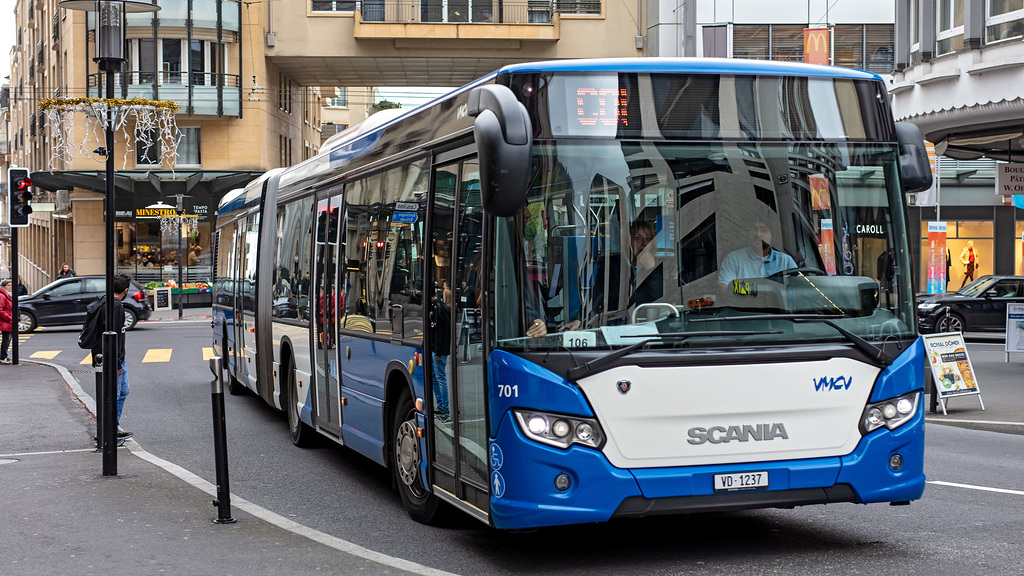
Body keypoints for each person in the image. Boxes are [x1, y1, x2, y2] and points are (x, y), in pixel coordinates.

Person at [87, 273, 134, 440]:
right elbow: (115, 338)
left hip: (105, 356)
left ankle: (111, 427)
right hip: (113, 359)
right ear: (125, 290)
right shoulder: (116, 306)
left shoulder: (103, 301)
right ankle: (108, 431)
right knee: (114, 394)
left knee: (122, 391)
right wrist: (118, 364)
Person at [717, 221, 797, 290]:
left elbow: (800, 287)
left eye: (763, 230)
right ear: (748, 235)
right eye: (754, 230)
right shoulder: (733, 259)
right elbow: (724, 289)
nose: (758, 234)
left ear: (772, 236)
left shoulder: (785, 261)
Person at [430, 282, 452, 423]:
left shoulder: (436, 308)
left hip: (438, 349)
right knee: (435, 377)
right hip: (438, 348)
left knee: (440, 377)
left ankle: (444, 407)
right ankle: (441, 405)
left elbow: (439, 332)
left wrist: (437, 351)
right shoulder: (441, 307)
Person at [0, 279, 12, 365]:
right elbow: (0, 309)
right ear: (3, 287)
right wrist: (8, 318)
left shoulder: (7, 295)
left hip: (7, 321)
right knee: (6, 339)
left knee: (7, 339)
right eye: (8, 285)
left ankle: (4, 356)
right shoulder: (2, 296)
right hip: (5, 321)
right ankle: (3, 357)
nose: (10, 287)